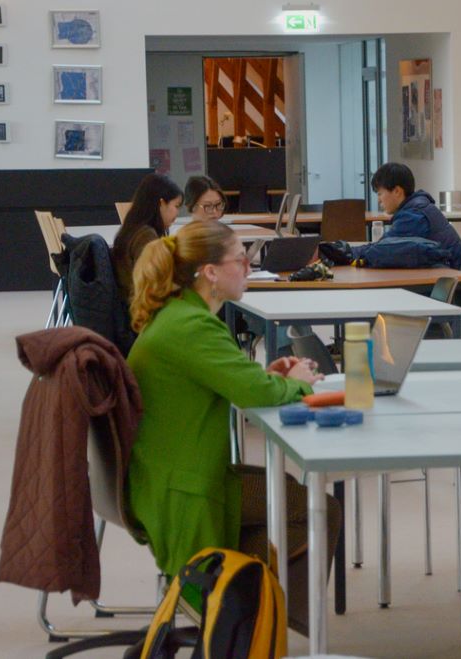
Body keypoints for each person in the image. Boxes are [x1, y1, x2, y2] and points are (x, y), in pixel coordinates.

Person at [125, 219, 341, 634]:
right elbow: (252, 393)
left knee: (295, 500)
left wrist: (275, 378)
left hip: (172, 475)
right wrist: (290, 386)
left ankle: (245, 607)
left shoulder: (181, 316)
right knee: (313, 509)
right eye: (241, 259)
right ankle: (233, 604)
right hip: (186, 488)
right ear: (210, 272)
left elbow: (237, 380)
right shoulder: (191, 326)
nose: (248, 267)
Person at [370, 162, 461, 267]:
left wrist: (352, 253)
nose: (379, 200)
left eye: (380, 194)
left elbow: (382, 249)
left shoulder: (413, 216)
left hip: (447, 277)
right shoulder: (419, 207)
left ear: (397, 191)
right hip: (449, 273)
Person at [112, 174, 183, 303]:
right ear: (161, 203)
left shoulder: (132, 230)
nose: (177, 213)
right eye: (176, 206)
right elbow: (153, 283)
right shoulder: (145, 236)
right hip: (142, 310)